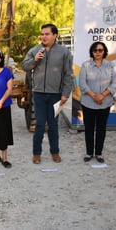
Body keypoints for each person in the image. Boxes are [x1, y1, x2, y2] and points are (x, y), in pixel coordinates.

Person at [21, 23, 73, 164]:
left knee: (53, 125)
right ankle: (36, 153)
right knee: (39, 125)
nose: (44, 36)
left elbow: (68, 74)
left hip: (56, 95)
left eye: (47, 34)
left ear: (55, 35)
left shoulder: (64, 52)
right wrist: (35, 60)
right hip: (38, 94)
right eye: (42, 34)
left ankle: (55, 152)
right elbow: (24, 66)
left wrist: (65, 94)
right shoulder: (35, 50)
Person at [79, 42, 116, 163]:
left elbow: (114, 84)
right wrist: (95, 96)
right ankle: (89, 153)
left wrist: (102, 96)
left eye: (100, 50)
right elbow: (82, 84)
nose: (97, 52)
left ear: (104, 51)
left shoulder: (111, 66)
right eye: (95, 50)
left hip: (104, 103)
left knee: (101, 129)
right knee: (89, 129)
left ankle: (99, 153)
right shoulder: (85, 65)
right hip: (88, 103)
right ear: (92, 52)